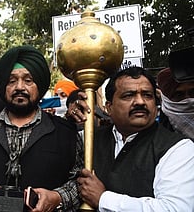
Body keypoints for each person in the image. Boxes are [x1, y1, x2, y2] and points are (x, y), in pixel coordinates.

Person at [0, 45, 83, 212]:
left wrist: (57, 197)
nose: (19, 87)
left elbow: (80, 182)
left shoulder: (67, 133)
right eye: (12, 81)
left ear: (40, 84)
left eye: (28, 80)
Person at [77, 66, 194, 211]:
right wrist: (69, 122)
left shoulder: (178, 148)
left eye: (147, 95)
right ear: (109, 107)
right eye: (128, 95)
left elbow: (175, 208)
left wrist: (103, 199)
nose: (140, 102)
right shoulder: (89, 139)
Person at [157, 46, 194, 139]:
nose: (188, 100)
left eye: (193, 92)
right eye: (179, 95)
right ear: (166, 100)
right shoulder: (156, 140)